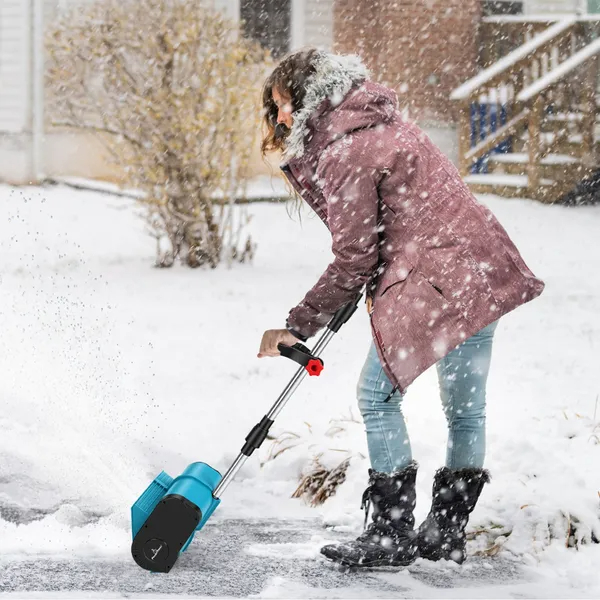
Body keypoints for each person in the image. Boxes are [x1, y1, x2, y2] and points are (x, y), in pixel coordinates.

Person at [257, 49, 545, 568]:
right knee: (466, 410)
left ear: (308, 98)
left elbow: (355, 256)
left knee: (376, 396)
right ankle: (445, 533)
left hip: (435, 281)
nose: (279, 117)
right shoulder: (387, 124)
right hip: (479, 269)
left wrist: (296, 325)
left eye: (283, 103)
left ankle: (389, 535)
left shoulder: (345, 150)